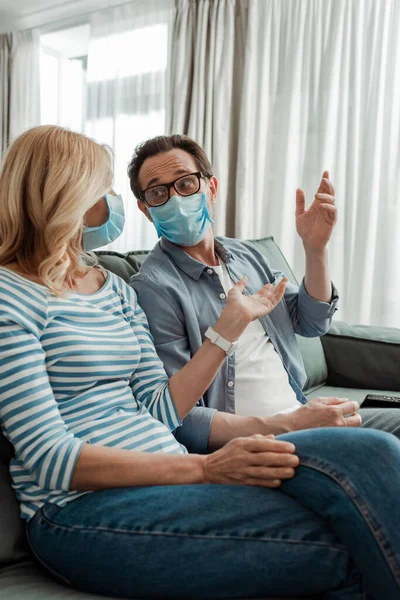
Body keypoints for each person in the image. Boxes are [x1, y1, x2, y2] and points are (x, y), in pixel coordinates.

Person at [1, 126, 400, 600]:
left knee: (374, 455)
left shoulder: (114, 289)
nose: (113, 202)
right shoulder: (11, 296)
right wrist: (207, 470)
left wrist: (225, 330)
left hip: (173, 477)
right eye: (103, 189)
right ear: (63, 195)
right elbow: (50, 459)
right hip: (79, 508)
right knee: (353, 538)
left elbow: (159, 408)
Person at [128, 134, 400, 453]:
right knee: (383, 453)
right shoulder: (153, 287)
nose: (175, 199)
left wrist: (316, 250)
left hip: (303, 414)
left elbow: (311, 323)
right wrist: (289, 425)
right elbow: (177, 415)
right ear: (146, 210)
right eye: (159, 192)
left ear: (210, 188)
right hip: (257, 443)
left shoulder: (247, 255)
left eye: (185, 184)